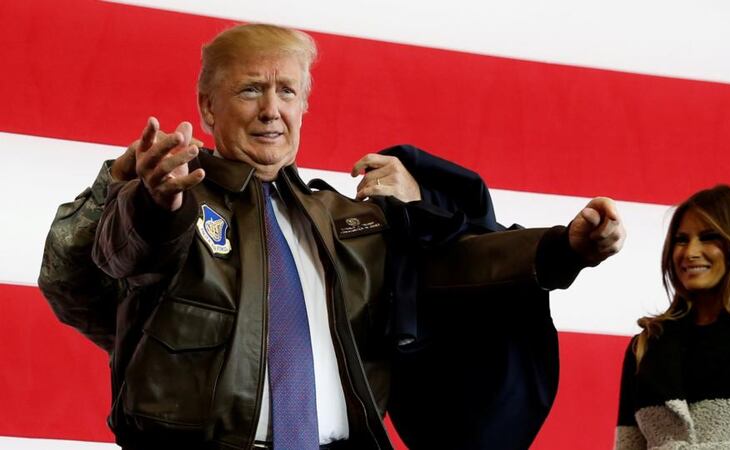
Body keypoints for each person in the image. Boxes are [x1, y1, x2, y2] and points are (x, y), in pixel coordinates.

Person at [40, 23, 626, 450]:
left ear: (304, 107)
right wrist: (152, 199)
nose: (272, 110)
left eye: (287, 91)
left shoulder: (347, 217)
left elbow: (452, 267)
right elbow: (123, 252)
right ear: (208, 107)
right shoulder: (174, 195)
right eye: (250, 90)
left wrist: (562, 249)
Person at [614, 185, 730, 450]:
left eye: (709, 237)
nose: (690, 252)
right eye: (681, 239)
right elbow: (627, 446)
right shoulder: (646, 345)